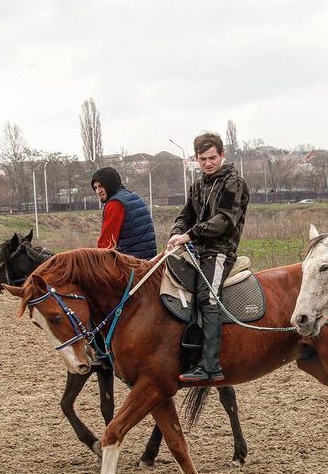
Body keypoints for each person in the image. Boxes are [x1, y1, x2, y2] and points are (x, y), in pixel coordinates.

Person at [166, 132, 249, 383]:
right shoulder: (198, 185)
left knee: (207, 298)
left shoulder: (234, 182)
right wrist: (177, 232)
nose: (208, 163)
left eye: (213, 157)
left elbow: (224, 221)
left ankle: (211, 365)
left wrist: (190, 235)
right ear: (196, 159)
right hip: (195, 250)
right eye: (203, 159)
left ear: (222, 155)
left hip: (219, 251)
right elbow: (185, 215)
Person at [91, 167, 157, 259]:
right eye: (95, 187)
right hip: (148, 261)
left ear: (110, 184)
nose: (98, 191)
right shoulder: (133, 196)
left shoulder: (115, 204)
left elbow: (106, 244)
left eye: (101, 186)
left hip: (130, 264)